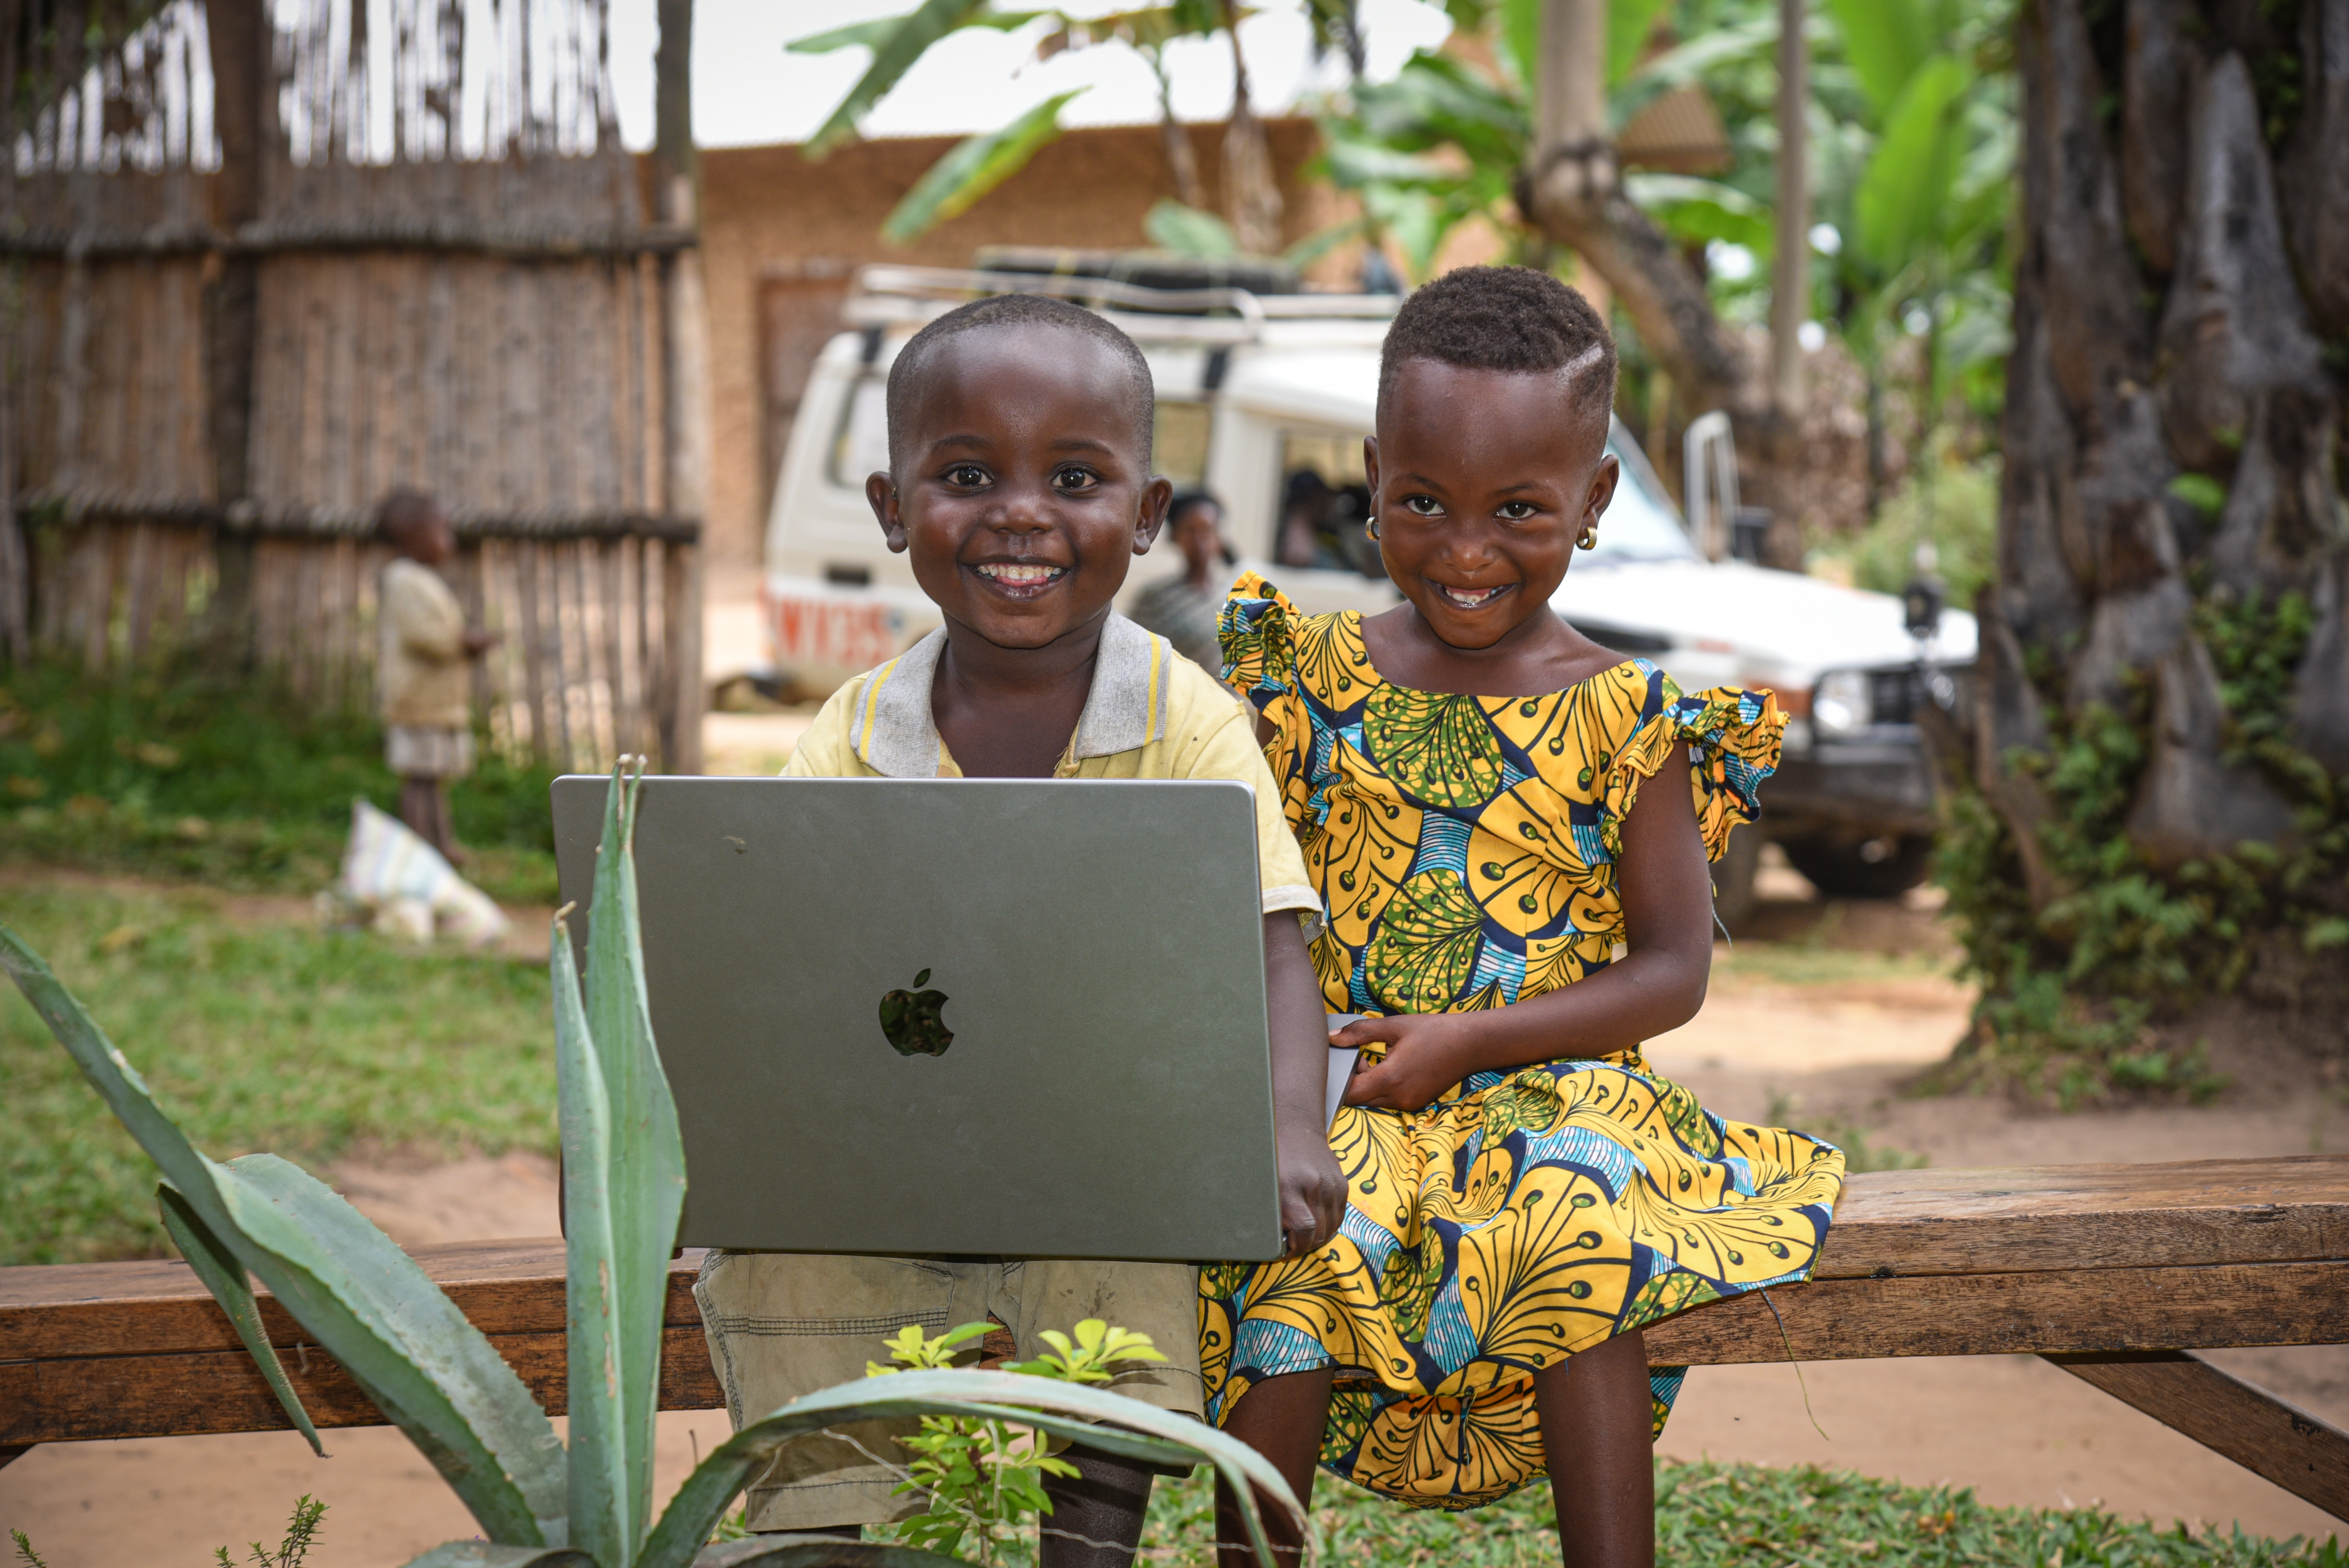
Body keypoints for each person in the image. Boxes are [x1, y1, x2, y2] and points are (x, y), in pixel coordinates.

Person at [1203, 266, 1847, 1568]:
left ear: (1594, 499)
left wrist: (1468, 1039)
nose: (1464, 549)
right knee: (1307, 1230)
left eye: (1518, 510)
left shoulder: (1628, 715)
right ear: (1372, 473)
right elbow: (1240, 909)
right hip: (1339, 1075)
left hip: (1555, 1083)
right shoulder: (1299, 684)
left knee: (1575, 1217)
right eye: (1421, 501)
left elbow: (1670, 969)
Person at [690, 293, 1347, 1568]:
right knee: (785, 1265)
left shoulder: (1193, 724)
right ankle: (845, 1541)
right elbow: (771, 957)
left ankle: (1082, 1549)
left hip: (1108, 1148)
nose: (1021, 510)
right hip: (877, 1158)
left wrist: (1286, 1129)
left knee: (1124, 1259)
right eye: (967, 472)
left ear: (1147, 516)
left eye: (1076, 476)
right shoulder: (848, 732)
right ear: (892, 507)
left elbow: (1277, 942)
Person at [376, 488, 495, 863]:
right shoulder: (402, 579)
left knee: (432, 778)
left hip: (435, 702)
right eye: (442, 531)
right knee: (419, 778)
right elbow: (421, 635)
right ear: (414, 534)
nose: (450, 541)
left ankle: (437, 846)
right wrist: (463, 642)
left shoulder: (421, 579)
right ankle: (420, 850)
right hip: (417, 701)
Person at [1126, 489, 1233, 671]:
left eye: (1207, 531)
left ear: (1219, 537)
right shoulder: (1155, 599)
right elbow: (1134, 656)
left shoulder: (1236, 598)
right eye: (1190, 531)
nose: (1199, 542)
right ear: (1175, 536)